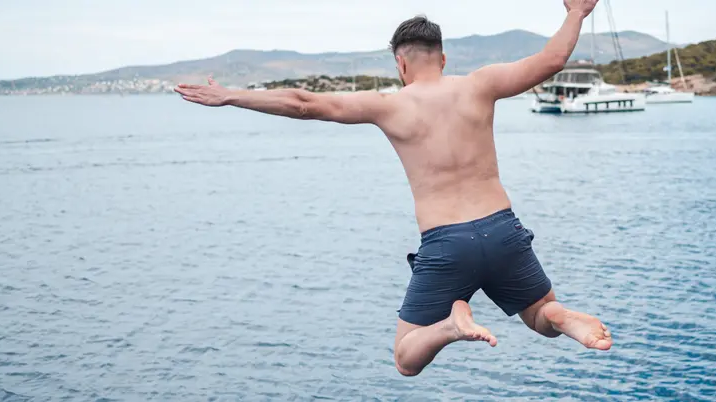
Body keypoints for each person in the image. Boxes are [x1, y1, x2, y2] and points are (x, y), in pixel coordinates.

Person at [175, 0, 611, 377]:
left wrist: (231, 95)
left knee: (406, 358)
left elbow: (304, 103)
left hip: (446, 243)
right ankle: (561, 316)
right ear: (443, 58)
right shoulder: (482, 84)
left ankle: (450, 327)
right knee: (537, 315)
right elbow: (552, 60)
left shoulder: (390, 105)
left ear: (401, 64)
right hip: (502, 229)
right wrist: (576, 12)